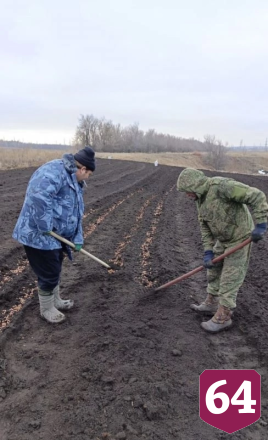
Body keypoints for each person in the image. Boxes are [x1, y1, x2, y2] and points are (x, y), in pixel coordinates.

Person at [177, 168, 268, 333]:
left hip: (240, 237)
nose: (187, 195)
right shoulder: (200, 199)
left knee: (230, 278)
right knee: (213, 271)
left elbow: (257, 195)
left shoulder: (222, 186)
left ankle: (224, 317)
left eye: (188, 191)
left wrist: (261, 223)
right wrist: (208, 252)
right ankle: (211, 303)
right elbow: (204, 227)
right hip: (223, 239)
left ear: (195, 185)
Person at [12, 146, 96, 324]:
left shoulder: (76, 182)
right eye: (88, 174)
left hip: (56, 236)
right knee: (49, 272)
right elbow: (38, 197)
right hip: (38, 234)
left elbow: (76, 212)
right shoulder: (52, 172)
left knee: (56, 267)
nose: (88, 178)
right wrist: (45, 225)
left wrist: (77, 237)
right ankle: (46, 308)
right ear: (82, 169)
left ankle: (55, 300)